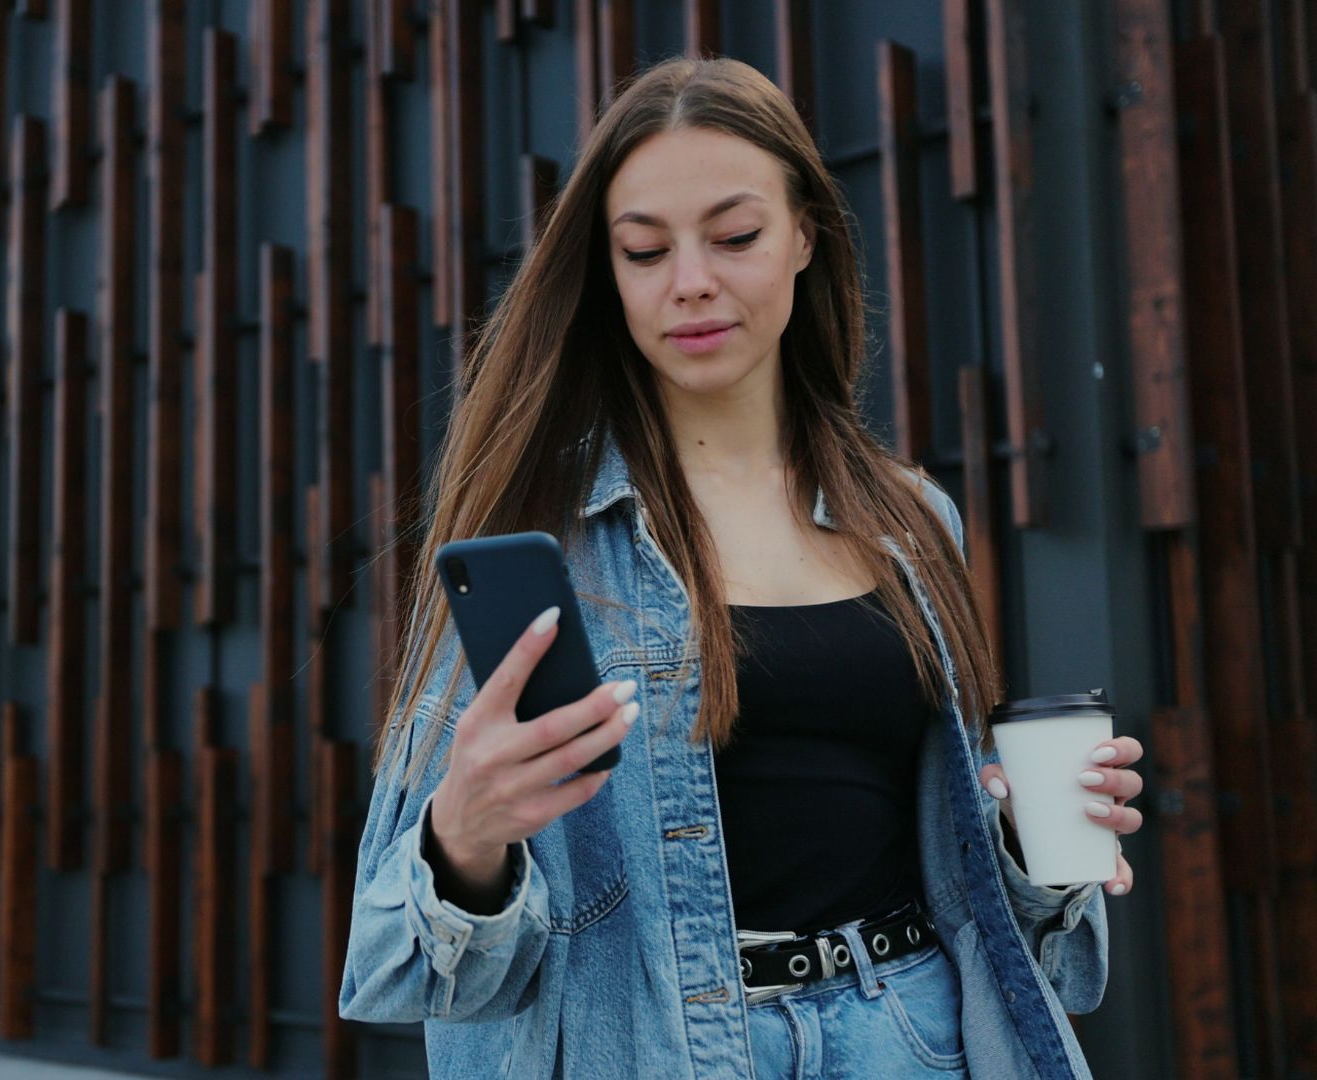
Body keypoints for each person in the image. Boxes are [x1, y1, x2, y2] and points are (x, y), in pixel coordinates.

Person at [337, 55, 1144, 1079]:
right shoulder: (544, 537)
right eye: (643, 251)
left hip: (919, 1037)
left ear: (805, 233)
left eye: (735, 236)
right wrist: (465, 836)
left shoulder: (909, 517)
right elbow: (403, 966)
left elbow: (987, 908)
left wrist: (1025, 843)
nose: (692, 282)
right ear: (608, 273)